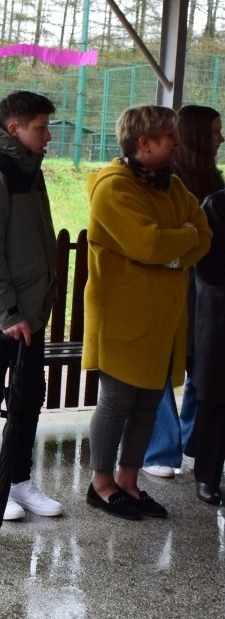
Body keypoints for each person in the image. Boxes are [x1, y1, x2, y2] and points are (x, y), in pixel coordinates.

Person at [82, 105, 211, 520]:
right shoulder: (113, 187)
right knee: (118, 401)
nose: (177, 143)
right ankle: (101, 484)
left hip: (162, 321)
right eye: (169, 136)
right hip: (123, 317)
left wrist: (173, 249)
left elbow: (204, 234)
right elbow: (147, 244)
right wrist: (178, 248)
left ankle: (129, 481)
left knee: (147, 403)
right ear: (145, 143)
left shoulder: (172, 187)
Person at [0, 91, 64, 522]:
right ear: (15, 130)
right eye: (41, 128)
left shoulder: (29, 170)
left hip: (29, 313)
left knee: (28, 396)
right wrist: (8, 315)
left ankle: (18, 476)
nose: (48, 136)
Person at [142, 105, 224, 477]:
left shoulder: (216, 184)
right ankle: (160, 449)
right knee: (161, 360)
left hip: (207, 289)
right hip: (172, 283)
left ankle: (193, 439)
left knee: (202, 361)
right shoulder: (167, 182)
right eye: (214, 132)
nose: (221, 139)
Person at [189, 187, 225, 504]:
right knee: (214, 400)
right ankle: (207, 476)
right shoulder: (217, 206)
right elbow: (209, 267)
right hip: (220, 317)